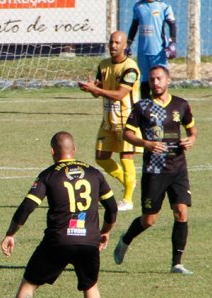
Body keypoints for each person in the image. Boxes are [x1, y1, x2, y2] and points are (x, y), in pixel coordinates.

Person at [0, 131, 117, 298]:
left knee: (29, 284)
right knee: (90, 286)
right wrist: (105, 231)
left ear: (52, 151)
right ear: (74, 149)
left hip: (58, 241)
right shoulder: (94, 173)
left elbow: (27, 208)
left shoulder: (49, 175)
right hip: (88, 241)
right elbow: (112, 208)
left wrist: (11, 233)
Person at [115, 66, 197, 275]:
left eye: (159, 78)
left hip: (178, 167)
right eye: (152, 80)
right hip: (154, 170)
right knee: (149, 219)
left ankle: (176, 263)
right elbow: (127, 134)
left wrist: (191, 139)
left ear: (168, 80)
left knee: (181, 212)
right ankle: (126, 239)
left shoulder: (181, 105)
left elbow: (191, 129)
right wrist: (146, 143)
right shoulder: (142, 107)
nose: (156, 83)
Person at [78, 30, 143, 212]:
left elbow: (120, 94)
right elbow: (99, 91)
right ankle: (128, 181)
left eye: (117, 43)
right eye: (111, 42)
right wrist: (90, 89)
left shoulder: (130, 68)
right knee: (101, 157)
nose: (113, 46)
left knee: (125, 157)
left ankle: (128, 200)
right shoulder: (103, 65)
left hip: (128, 120)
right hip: (108, 120)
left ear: (125, 46)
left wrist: (97, 91)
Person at [127, 0, 177, 99]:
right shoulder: (138, 6)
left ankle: (162, 105)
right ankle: (145, 106)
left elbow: (172, 24)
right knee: (144, 78)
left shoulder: (164, 6)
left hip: (159, 51)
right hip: (143, 51)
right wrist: (128, 44)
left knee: (159, 78)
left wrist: (172, 43)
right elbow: (134, 26)